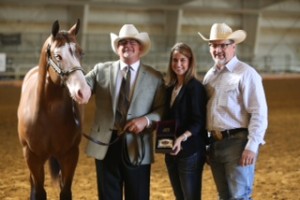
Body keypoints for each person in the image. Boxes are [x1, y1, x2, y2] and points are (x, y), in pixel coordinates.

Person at [84, 24, 165, 200]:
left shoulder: (155, 77)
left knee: (138, 196)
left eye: (132, 42)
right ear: (117, 47)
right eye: (123, 42)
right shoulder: (100, 70)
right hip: (106, 144)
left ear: (140, 48)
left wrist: (146, 120)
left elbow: (163, 109)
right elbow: (83, 87)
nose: (127, 45)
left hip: (138, 144)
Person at [198, 23, 268, 200]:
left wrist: (252, 146)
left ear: (233, 46)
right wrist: (207, 144)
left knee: (239, 197)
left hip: (237, 144)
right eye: (214, 45)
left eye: (223, 45)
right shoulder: (209, 76)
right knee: (224, 196)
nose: (218, 50)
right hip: (215, 144)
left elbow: (259, 112)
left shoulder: (246, 73)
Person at [163, 42, 208, 200]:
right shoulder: (169, 88)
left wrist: (182, 138)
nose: (178, 64)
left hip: (191, 151)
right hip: (171, 151)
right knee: (179, 197)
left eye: (182, 60)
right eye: (175, 60)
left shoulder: (195, 88)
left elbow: (198, 121)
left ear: (190, 62)